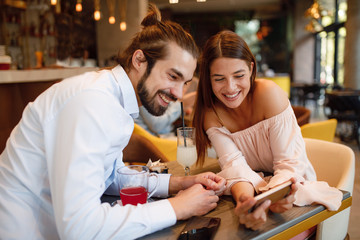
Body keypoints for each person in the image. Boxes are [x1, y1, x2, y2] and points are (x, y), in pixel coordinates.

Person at [0, 5, 226, 240]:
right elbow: (79, 227)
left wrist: (180, 183)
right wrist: (177, 207)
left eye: (186, 82)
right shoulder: (93, 103)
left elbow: (110, 177)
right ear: (139, 60)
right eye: (172, 76)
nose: (179, 94)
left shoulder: (115, 100)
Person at [192, 30, 342, 231]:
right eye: (219, 79)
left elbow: (288, 165)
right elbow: (235, 168)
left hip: (294, 190)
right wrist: (246, 201)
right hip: (256, 191)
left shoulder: (268, 93)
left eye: (239, 75)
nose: (230, 87)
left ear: (251, 68)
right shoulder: (210, 115)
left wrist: (273, 196)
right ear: (207, 78)